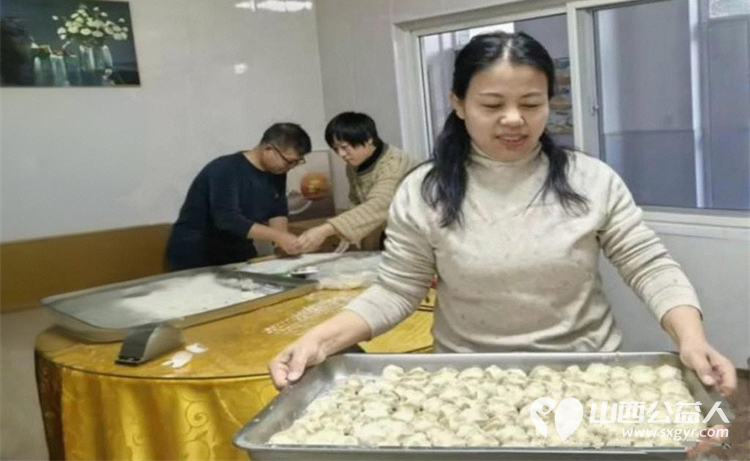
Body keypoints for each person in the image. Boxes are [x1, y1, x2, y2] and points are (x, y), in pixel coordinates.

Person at [270, 33, 736, 406]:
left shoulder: (590, 180)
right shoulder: (425, 191)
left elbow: (649, 266)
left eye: (531, 104)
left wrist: (691, 338)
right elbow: (397, 289)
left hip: (585, 378)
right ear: (458, 103)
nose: (514, 119)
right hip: (470, 385)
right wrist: (321, 340)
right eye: (492, 105)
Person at [165, 123, 311, 271]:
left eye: (296, 162)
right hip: (198, 254)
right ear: (268, 149)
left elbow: (277, 211)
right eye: (289, 161)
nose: (290, 167)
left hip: (238, 251)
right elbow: (227, 220)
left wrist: (282, 245)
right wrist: (278, 237)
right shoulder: (225, 169)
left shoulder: (277, 172)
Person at [294, 112, 416, 254]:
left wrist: (325, 230)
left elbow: (379, 204)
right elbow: (356, 201)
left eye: (344, 147)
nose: (341, 154)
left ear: (368, 139)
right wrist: (348, 236)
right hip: (385, 232)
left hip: (413, 234)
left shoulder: (394, 164)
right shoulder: (353, 165)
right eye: (336, 149)